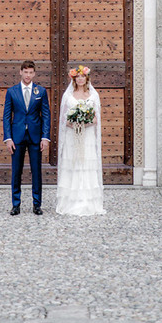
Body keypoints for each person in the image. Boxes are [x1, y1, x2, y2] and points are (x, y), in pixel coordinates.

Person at [3, 60, 51, 215]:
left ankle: (37, 204)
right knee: (16, 171)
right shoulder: (12, 92)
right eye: (25, 72)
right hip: (17, 138)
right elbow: (6, 116)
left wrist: (45, 137)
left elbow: (46, 115)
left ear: (34, 74)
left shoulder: (41, 91)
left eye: (31, 72)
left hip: (35, 137)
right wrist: (8, 138)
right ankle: (16, 204)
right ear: (20, 72)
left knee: (36, 171)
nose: (28, 75)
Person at [56, 65, 105, 216]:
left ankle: (88, 202)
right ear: (74, 79)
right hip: (72, 135)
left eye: (83, 76)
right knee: (73, 163)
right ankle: (71, 201)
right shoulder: (68, 96)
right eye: (78, 77)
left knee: (86, 163)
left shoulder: (93, 96)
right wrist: (74, 123)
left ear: (87, 78)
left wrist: (84, 123)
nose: (80, 79)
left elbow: (96, 118)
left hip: (87, 135)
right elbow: (64, 119)